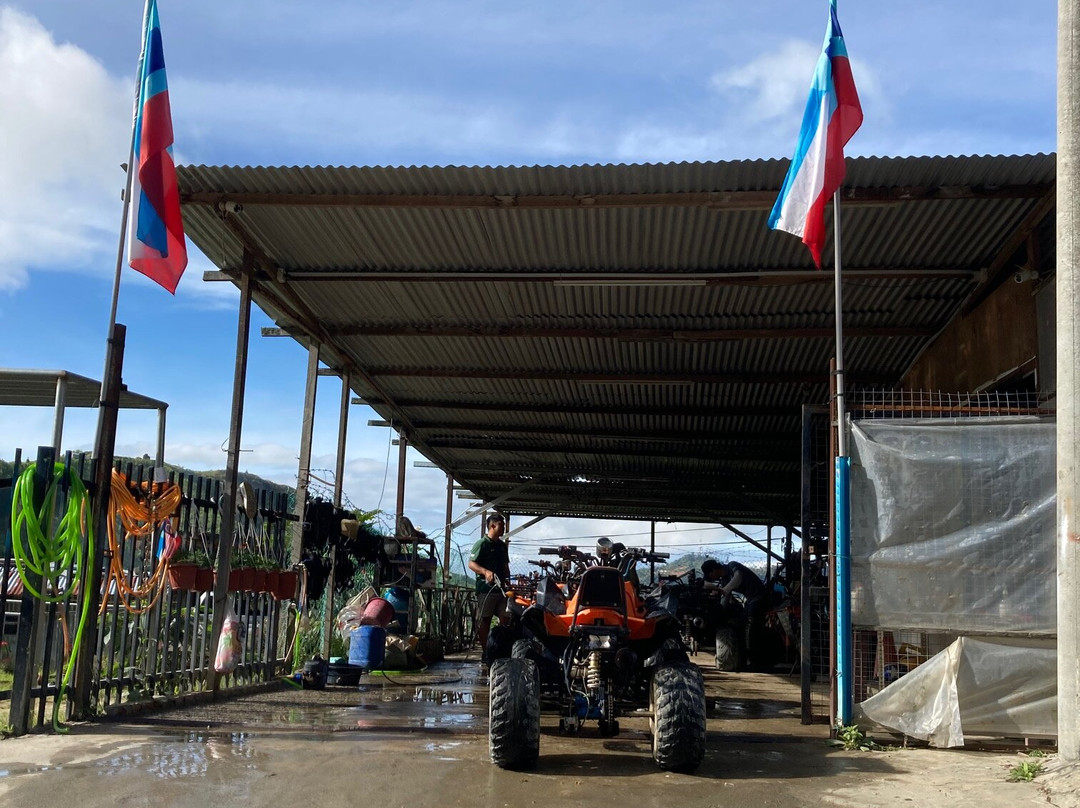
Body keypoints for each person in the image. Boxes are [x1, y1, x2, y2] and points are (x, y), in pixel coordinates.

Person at [701, 558, 769, 665]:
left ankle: (753, 660)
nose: (711, 578)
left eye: (710, 574)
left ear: (714, 569)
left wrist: (725, 590)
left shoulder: (732, 566)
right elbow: (724, 599)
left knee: (750, 627)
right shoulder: (724, 579)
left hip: (759, 597)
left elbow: (738, 576)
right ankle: (744, 657)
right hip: (750, 599)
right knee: (741, 623)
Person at [468, 513, 511, 656]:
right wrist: (485, 572)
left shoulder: (502, 546)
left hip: (501, 590)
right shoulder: (482, 544)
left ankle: (501, 650)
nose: (503, 528)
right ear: (492, 526)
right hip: (486, 590)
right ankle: (486, 652)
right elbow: (471, 563)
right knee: (484, 620)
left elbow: (505, 566)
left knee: (505, 618)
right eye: (501, 525)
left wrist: (508, 581)